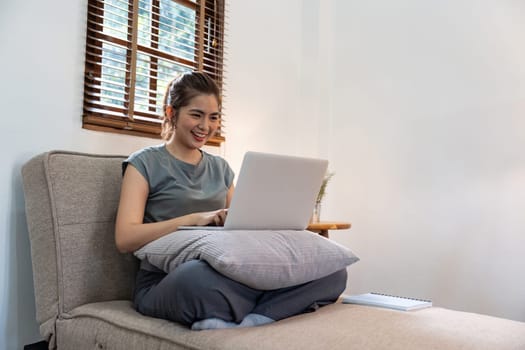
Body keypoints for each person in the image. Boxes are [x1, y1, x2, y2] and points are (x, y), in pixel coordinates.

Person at [115, 71, 347, 330]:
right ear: (171, 113)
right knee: (196, 279)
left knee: (333, 271)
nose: (206, 126)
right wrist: (193, 220)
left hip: (226, 271)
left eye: (213, 117)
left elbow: (242, 225)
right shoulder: (144, 163)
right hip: (169, 279)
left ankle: (256, 317)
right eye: (196, 114)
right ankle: (269, 305)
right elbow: (125, 238)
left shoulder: (220, 168)